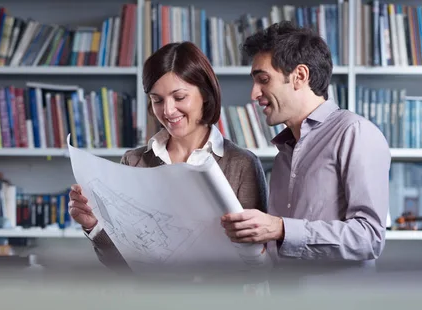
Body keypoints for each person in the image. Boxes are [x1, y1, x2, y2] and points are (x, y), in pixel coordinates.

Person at [68, 41, 268, 274]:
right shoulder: (134, 162)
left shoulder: (242, 164)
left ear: (205, 94)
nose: (168, 111)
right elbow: (121, 264)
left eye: (179, 97)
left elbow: (258, 262)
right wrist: (92, 226)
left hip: (219, 302)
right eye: (157, 100)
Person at [220, 22, 391, 281]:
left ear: (300, 76)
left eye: (263, 79)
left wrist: (280, 228)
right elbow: (284, 248)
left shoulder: (354, 133)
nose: (254, 93)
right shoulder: (283, 155)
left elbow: (369, 238)